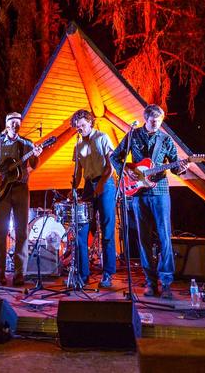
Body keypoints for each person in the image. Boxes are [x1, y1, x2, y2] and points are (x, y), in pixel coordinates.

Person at [111, 104, 185, 300]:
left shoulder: (166, 139)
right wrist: (125, 170)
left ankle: (167, 282)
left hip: (160, 191)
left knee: (165, 237)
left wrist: (182, 167)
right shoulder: (133, 136)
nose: (156, 125)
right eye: (153, 122)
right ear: (145, 119)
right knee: (143, 239)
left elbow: (176, 166)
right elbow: (114, 157)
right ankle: (151, 282)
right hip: (138, 194)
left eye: (159, 122)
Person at [0, 112, 39, 286]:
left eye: (18, 123)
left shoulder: (26, 144)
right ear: (6, 125)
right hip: (1, 191)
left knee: (22, 232)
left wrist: (36, 153)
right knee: (0, 232)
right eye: (12, 122)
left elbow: (34, 164)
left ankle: (20, 274)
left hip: (20, 189)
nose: (15, 125)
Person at [69, 109, 117, 288]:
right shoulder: (78, 145)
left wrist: (102, 184)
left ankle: (108, 273)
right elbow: (78, 172)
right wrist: (73, 187)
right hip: (88, 186)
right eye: (77, 127)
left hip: (106, 183)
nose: (80, 129)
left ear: (90, 123)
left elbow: (111, 165)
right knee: (82, 230)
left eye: (82, 125)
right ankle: (83, 274)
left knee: (107, 228)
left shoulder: (102, 137)